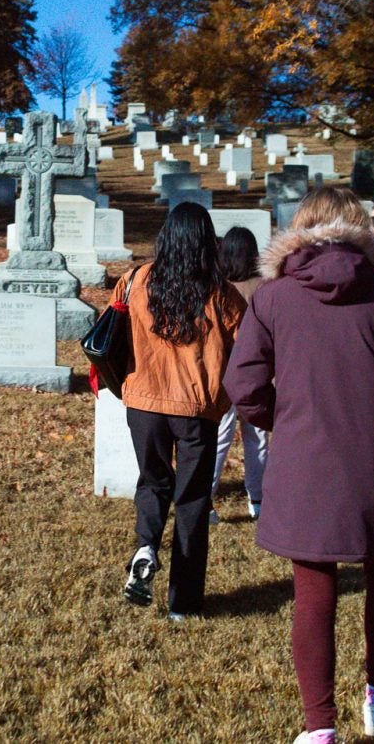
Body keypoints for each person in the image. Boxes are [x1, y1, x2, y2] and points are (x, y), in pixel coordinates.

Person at [225, 186, 374, 742]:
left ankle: (320, 728)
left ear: (301, 228)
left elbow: (244, 384)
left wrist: (284, 419)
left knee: (314, 588)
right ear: (357, 230)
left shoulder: (274, 298)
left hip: (305, 459)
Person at [117, 202, 246, 620]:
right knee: (192, 500)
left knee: (153, 481)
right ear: (208, 240)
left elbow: (110, 330)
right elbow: (247, 349)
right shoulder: (222, 294)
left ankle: (145, 546)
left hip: (143, 402)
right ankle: (183, 603)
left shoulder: (135, 280)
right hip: (197, 407)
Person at [210, 226, 268, 524]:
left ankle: (205, 500)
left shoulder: (217, 286)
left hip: (223, 371)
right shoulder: (265, 286)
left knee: (219, 436)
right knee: (256, 436)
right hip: (257, 370)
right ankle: (257, 500)